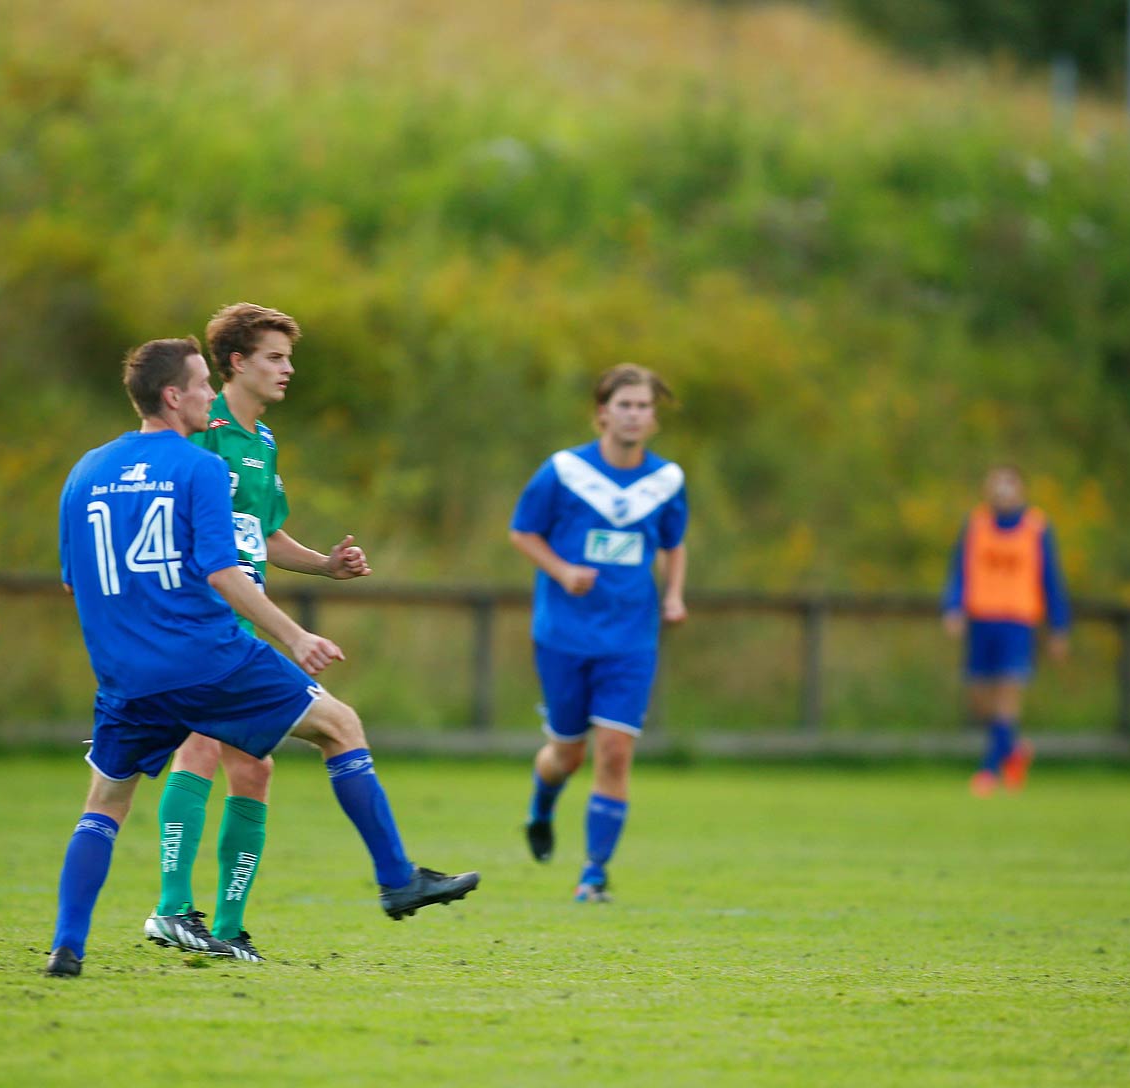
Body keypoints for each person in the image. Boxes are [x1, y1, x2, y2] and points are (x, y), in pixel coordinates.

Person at [45, 337, 477, 977]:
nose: (207, 398)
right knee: (340, 725)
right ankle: (396, 879)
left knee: (105, 803)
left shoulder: (85, 471)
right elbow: (222, 571)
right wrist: (294, 636)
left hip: (125, 675)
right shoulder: (198, 467)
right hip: (206, 655)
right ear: (173, 396)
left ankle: (67, 946)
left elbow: (76, 583)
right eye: (199, 386)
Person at [143, 303, 371, 965]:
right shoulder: (198, 431)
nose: (287, 369)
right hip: (199, 617)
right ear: (236, 363)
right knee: (203, 749)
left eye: (289, 358)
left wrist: (325, 564)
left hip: (243, 620)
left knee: (255, 767)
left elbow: (263, 537)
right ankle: (172, 909)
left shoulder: (263, 444)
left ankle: (230, 927)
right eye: (274, 357)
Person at [509, 363, 688, 902]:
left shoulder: (666, 481)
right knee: (567, 755)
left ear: (654, 418)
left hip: (631, 638)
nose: (634, 414)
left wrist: (674, 594)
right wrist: (563, 572)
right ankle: (541, 807)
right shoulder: (563, 472)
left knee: (613, 751)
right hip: (564, 634)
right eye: (625, 404)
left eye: (644, 406)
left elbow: (672, 543)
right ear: (602, 412)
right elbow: (523, 532)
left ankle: (593, 874)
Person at [940, 465, 1070, 796]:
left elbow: (1051, 580)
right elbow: (960, 571)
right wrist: (953, 606)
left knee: (1006, 696)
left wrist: (1059, 626)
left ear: (1021, 490)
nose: (1002, 493)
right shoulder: (976, 525)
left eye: (1008, 486)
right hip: (982, 622)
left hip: (1017, 623)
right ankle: (1013, 750)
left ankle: (988, 770)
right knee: (979, 699)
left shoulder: (1036, 528)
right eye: (996, 486)